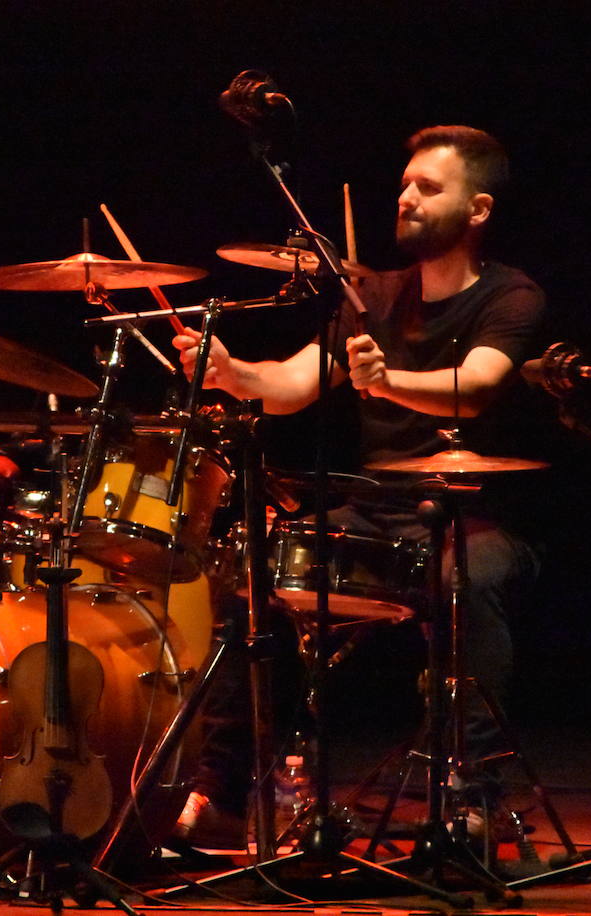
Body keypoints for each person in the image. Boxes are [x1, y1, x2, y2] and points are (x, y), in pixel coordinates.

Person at [170, 124, 546, 846]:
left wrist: (389, 382)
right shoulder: (371, 291)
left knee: (472, 579)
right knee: (254, 584)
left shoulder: (512, 296)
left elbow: (480, 385)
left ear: (478, 210)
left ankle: (470, 792)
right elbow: (290, 384)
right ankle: (222, 791)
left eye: (428, 188)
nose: (405, 197)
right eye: (405, 183)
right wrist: (231, 373)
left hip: (472, 516)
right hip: (373, 512)